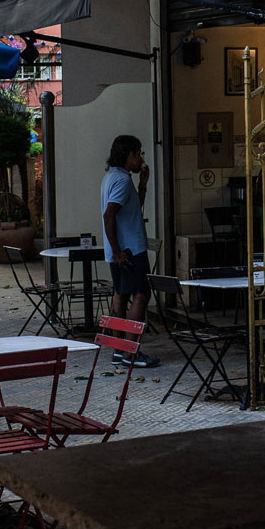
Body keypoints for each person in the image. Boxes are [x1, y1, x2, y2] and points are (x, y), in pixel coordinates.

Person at [101, 134, 158, 368]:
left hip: (120, 249)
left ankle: (119, 350)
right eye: (139, 154)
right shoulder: (122, 181)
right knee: (141, 294)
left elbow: (132, 209)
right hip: (129, 249)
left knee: (121, 294)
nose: (140, 159)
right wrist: (117, 251)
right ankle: (130, 351)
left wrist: (143, 184)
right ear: (129, 155)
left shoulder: (113, 177)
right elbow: (110, 214)